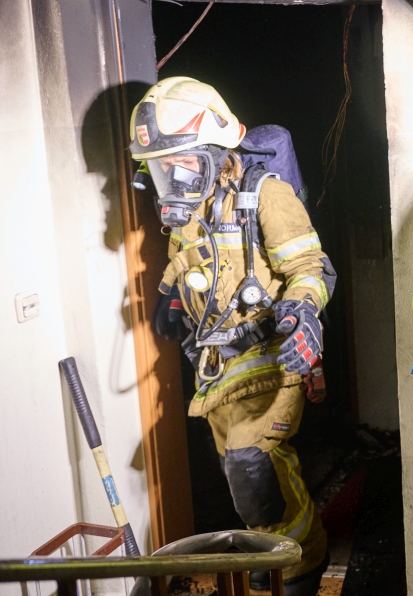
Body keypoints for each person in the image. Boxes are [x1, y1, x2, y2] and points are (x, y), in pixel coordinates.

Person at [130, 76, 332, 595]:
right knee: (241, 477)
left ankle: (302, 566)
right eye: (161, 169)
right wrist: (175, 297)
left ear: (218, 154)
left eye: (182, 164)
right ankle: (269, 548)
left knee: (253, 464)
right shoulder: (190, 207)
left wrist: (303, 312)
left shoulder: (266, 194)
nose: (174, 180)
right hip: (218, 367)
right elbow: (189, 259)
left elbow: (309, 266)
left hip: (270, 354)